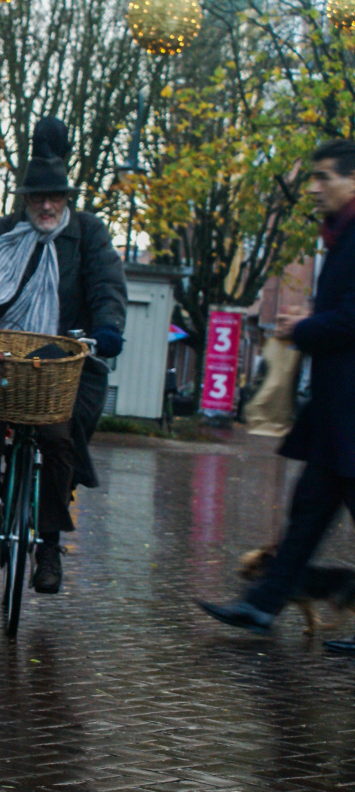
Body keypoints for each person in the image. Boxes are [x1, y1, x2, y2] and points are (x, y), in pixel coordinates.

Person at [0, 117, 127, 594]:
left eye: (55, 197)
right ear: (24, 199)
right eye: (37, 197)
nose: (46, 205)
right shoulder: (2, 233)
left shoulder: (88, 235)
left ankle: (48, 546)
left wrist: (107, 330)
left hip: (67, 360)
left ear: (66, 198)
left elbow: (107, 287)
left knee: (58, 436)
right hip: (8, 356)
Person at [200, 139, 355, 647]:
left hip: (350, 415)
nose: (314, 187)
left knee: (310, 510)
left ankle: (262, 605)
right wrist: (308, 321)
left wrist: (302, 329)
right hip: (338, 416)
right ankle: (262, 605)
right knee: (308, 511)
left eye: (325, 177)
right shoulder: (341, 236)